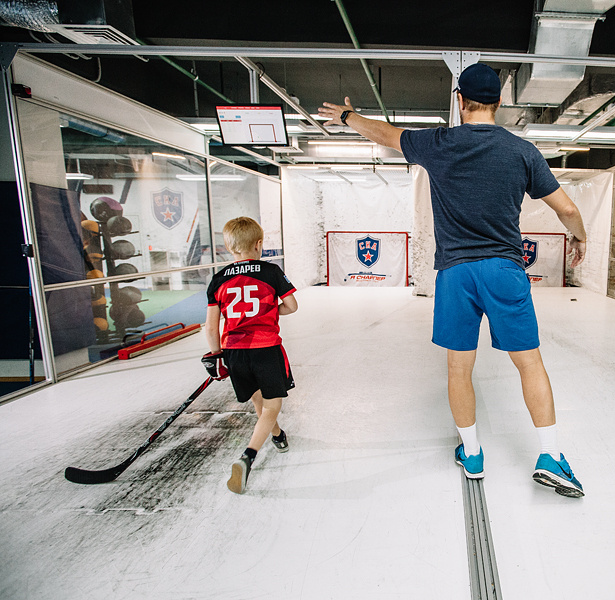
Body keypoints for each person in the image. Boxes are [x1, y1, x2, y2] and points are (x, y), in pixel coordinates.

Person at [319, 63, 589, 497]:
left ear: (460, 101)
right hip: (505, 270)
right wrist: (579, 238)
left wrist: (349, 118)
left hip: (455, 273)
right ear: (500, 103)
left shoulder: (438, 143)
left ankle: (473, 453)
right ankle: (551, 456)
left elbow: (386, 135)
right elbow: (569, 210)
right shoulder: (522, 151)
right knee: (530, 363)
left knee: (459, 368)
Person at [203, 217, 299, 493]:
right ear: (259, 244)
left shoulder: (218, 279)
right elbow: (291, 306)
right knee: (271, 407)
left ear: (228, 246)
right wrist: (269, 312)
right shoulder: (270, 272)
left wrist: (216, 355)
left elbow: (211, 327)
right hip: (266, 349)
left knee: (259, 402)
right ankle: (248, 456)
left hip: (234, 352)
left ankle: (278, 436)